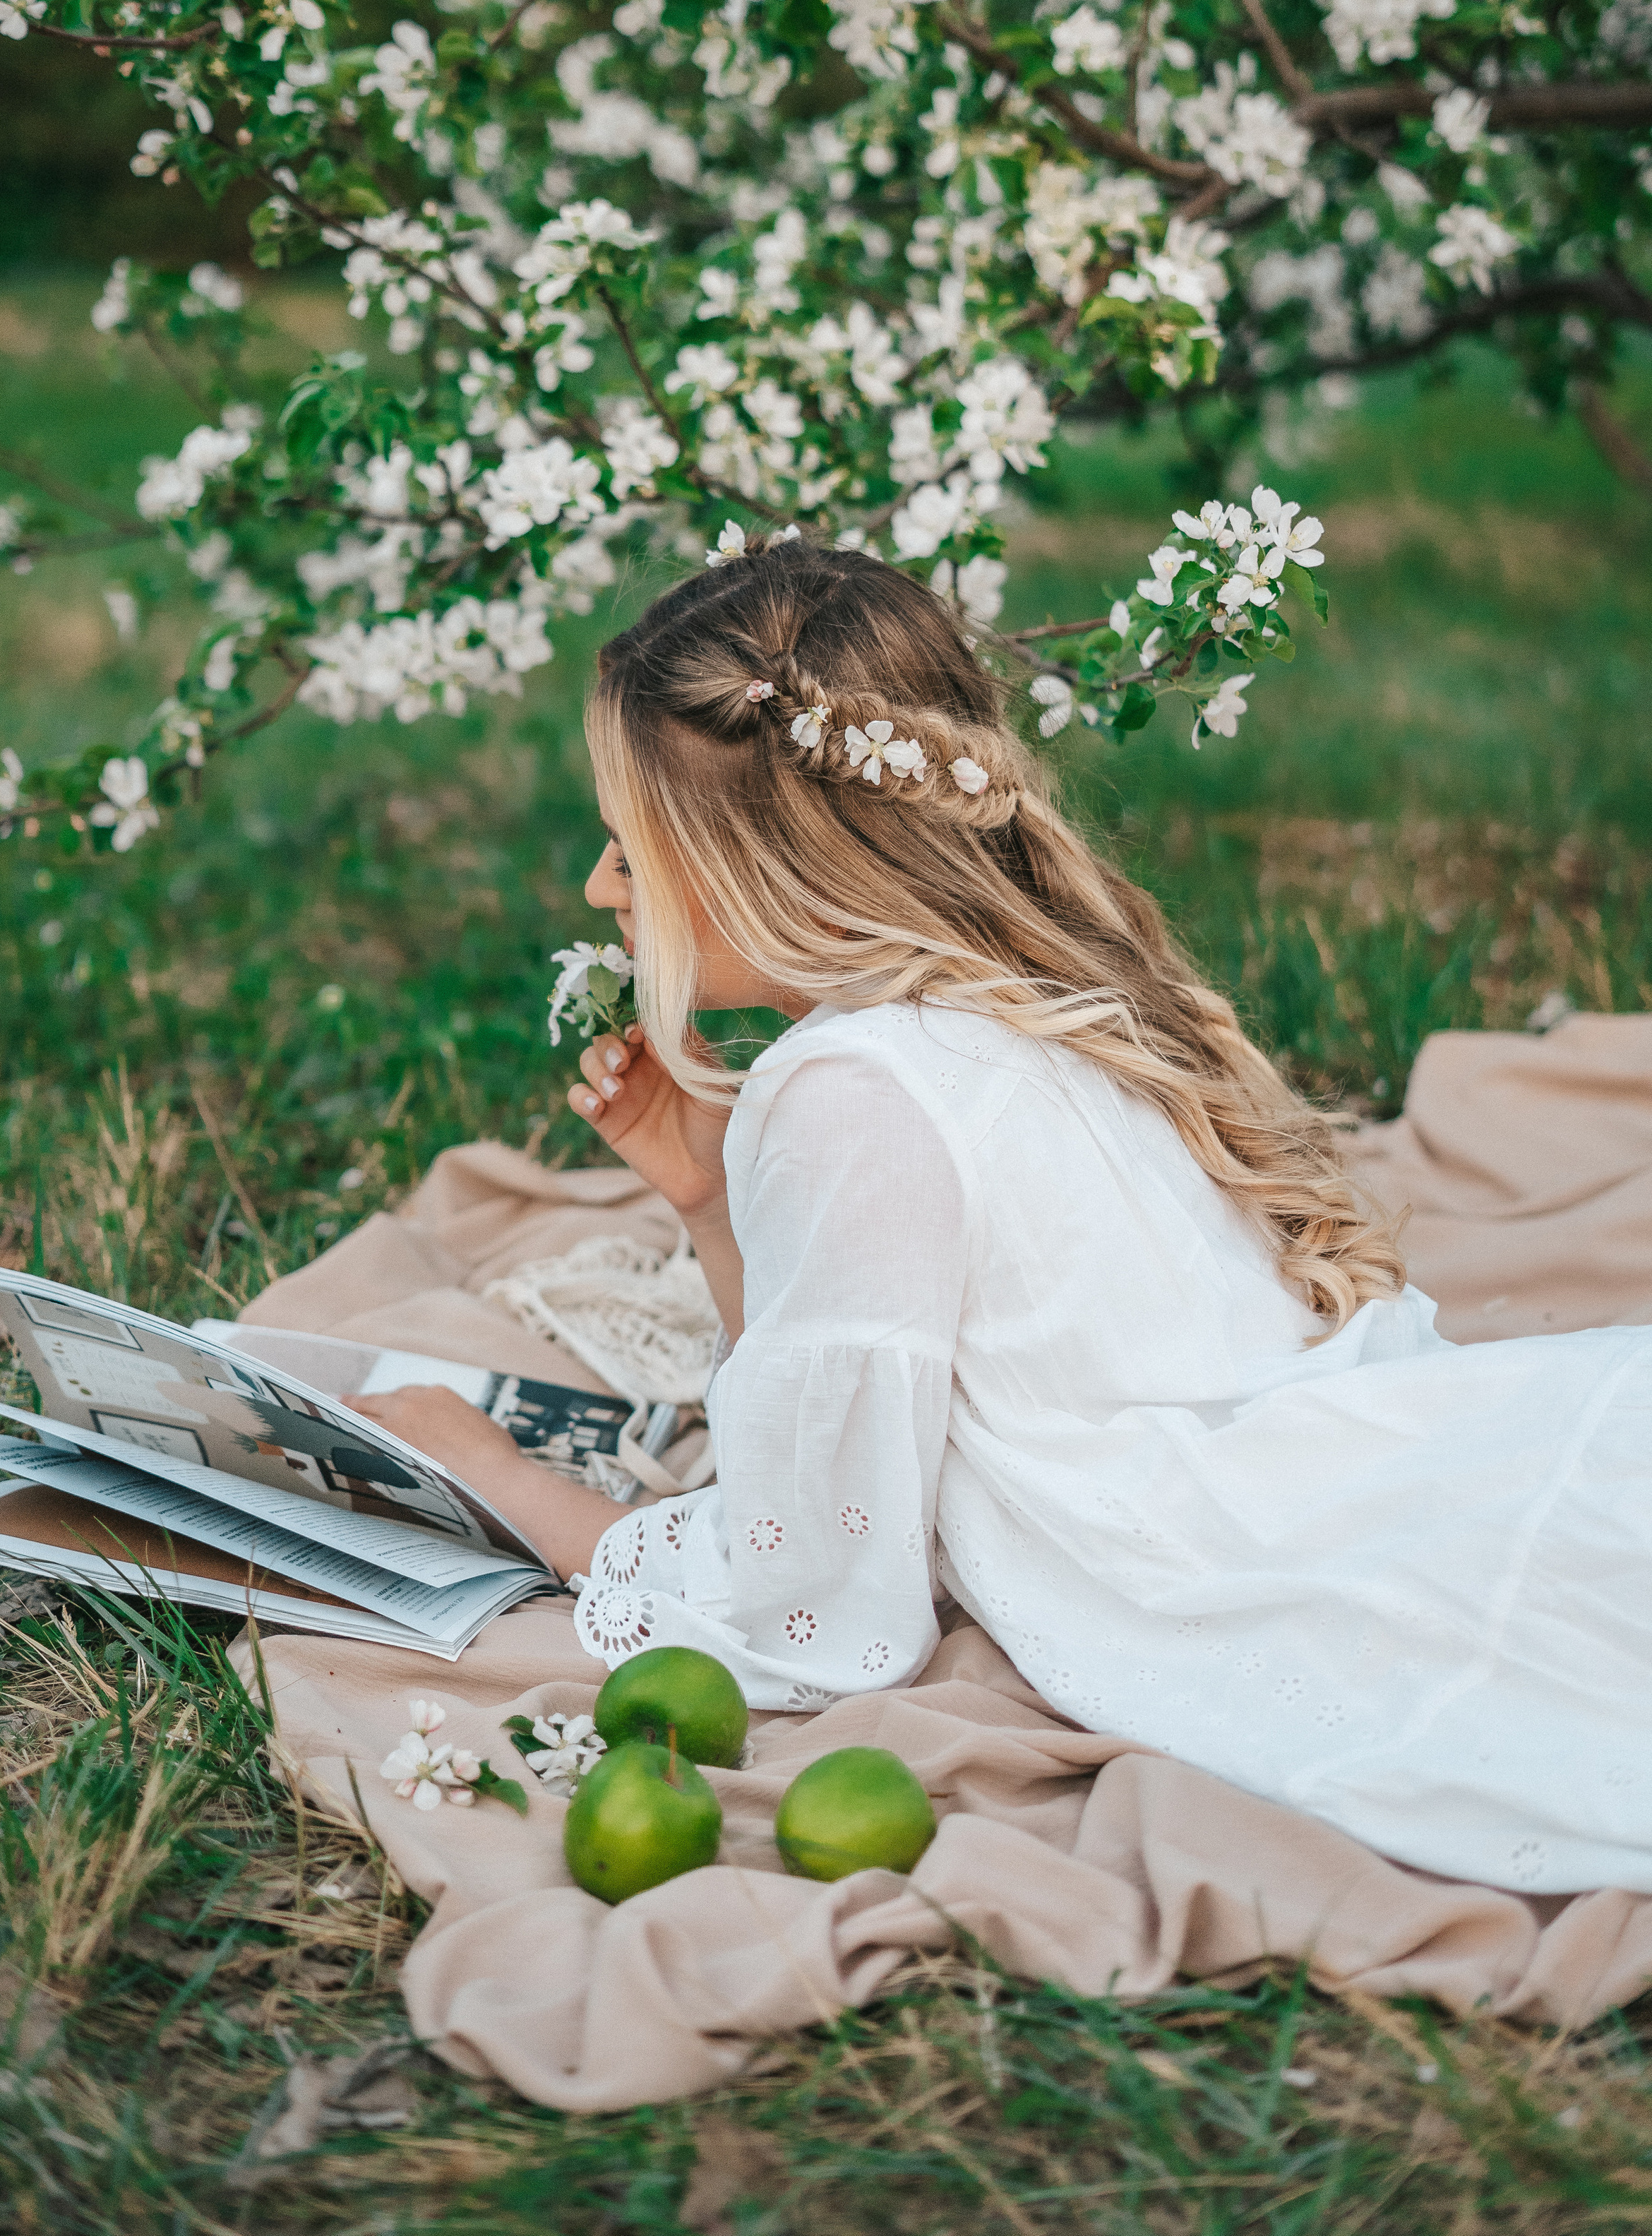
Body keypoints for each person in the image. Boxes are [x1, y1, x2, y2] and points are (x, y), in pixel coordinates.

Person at [349, 533, 1651, 1895]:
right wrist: (708, 1202)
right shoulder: (1010, 994)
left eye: (629, 851)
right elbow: (836, 1406)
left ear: (759, 868)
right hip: (1359, 1460)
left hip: (1253, 1558)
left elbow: (812, 1607)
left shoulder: (847, 1091)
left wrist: (496, 1479)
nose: (598, 893)